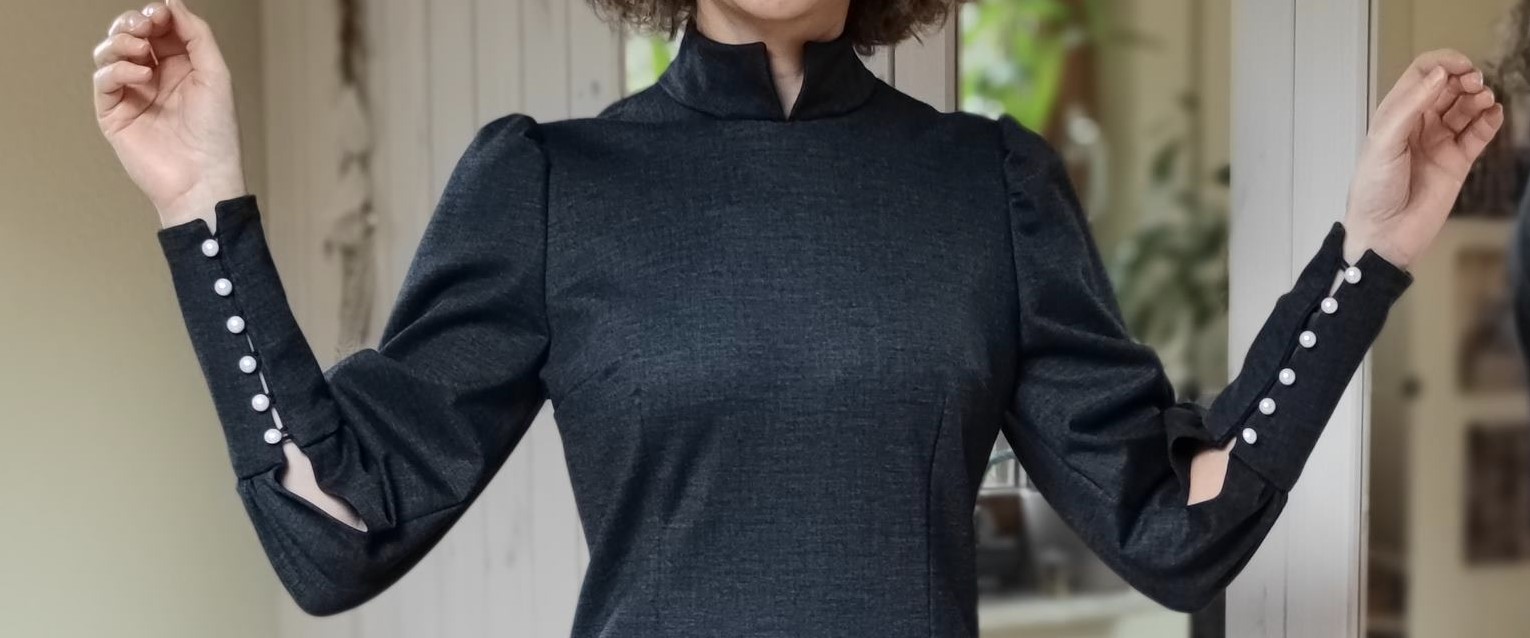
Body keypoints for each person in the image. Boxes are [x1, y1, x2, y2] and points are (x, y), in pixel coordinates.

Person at [91, 0, 1502, 634]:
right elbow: (335, 531)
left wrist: (1367, 253)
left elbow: (1175, 529)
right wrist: (204, 206)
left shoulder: (988, 187)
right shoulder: (548, 185)